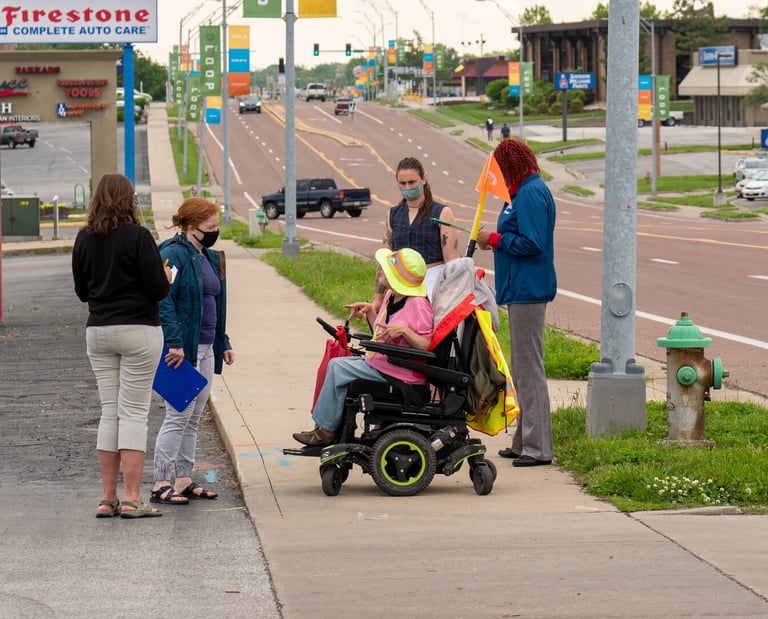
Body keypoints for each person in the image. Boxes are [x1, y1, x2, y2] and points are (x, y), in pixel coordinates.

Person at [72, 173, 171, 519]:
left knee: (109, 411)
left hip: (98, 331)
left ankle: (107, 497)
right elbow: (159, 289)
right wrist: (167, 277)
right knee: (133, 412)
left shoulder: (84, 238)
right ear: (129, 199)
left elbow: (82, 291)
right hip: (138, 330)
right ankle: (132, 498)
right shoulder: (139, 237)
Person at [292, 248, 434, 447]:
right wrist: (370, 313)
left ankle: (326, 431)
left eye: (385, 270)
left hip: (401, 375)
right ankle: (325, 427)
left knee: (337, 367)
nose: (380, 271)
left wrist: (406, 332)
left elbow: (428, 347)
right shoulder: (391, 295)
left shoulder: (418, 305)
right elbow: (382, 334)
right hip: (381, 364)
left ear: (397, 277)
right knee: (334, 365)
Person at [476, 139, 557, 467]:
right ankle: (524, 441)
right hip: (519, 287)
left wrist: (494, 239)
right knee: (522, 369)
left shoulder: (530, 194)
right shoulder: (520, 192)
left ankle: (538, 449)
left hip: (529, 288)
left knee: (529, 369)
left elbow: (533, 243)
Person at [150, 197, 235, 504]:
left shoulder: (209, 257)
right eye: (210, 227)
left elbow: (215, 303)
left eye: (216, 226)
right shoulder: (173, 255)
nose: (214, 232)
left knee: (194, 415)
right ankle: (161, 481)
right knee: (178, 414)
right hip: (182, 349)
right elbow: (163, 299)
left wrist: (222, 341)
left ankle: (183, 478)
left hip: (207, 346)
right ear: (191, 226)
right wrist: (174, 341)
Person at [372, 157, 458, 311]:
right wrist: (377, 298)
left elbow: (451, 261)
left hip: (431, 285)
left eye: (412, 182)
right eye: (402, 183)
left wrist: (453, 297)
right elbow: (384, 260)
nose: (407, 187)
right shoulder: (393, 214)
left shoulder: (442, 212)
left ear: (423, 180)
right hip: (399, 286)